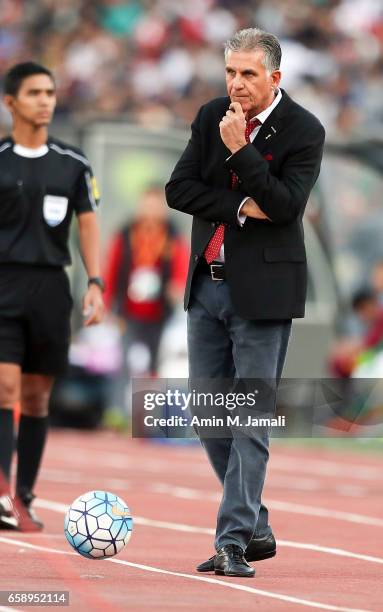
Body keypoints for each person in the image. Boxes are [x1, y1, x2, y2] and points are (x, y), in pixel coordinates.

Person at [166, 28, 325, 577]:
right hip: (206, 288)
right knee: (209, 416)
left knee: (248, 418)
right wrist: (238, 205)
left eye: (249, 74)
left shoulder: (304, 129)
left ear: (274, 77)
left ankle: (232, 541)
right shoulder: (212, 113)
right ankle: (255, 523)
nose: (237, 84)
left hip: (264, 294)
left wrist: (242, 150)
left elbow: (284, 206)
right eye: (231, 72)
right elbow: (178, 190)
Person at [0, 62, 105, 531]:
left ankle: (24, 494)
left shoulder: (74, 163)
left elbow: (88, 224)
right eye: (34, 92)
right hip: (2, 284)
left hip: (51, 288)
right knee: (4, 388)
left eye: (50, 92)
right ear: (10, 102)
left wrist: (96, 283)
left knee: (38, 397)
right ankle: (1, 492)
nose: (45, 100)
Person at [103, 185, 189, 381]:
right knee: (123, 362)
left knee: (155, 365)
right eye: (147, 205)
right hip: (127, 311)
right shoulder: (125, 234)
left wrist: (177, 286)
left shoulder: (173, 236)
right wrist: (106, 303)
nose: (150, 210)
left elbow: (181, 267)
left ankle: (149, 408)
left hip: (159, 313)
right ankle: (118, 409)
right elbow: (111, 268)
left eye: (155, 205)